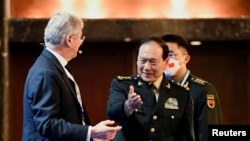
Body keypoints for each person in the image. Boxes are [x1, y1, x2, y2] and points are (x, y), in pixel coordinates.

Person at [22, 12, 121, 141]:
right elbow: (47, 125)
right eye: (81, 37)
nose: (81, 42)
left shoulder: (57, 65)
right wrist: (91, 132)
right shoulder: (46, 73)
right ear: (69, 40)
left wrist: (91, 136)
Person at [106, 36, 195, 141]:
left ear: (165, 63)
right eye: (143, 61)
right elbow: (112, 113)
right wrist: (127, 106)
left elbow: (186, 135)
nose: (146, 67)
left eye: (153, 62)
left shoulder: (181, 93)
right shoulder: (123, 84)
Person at [162, 34, 223, 141]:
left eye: (171, 55)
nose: (167, 60)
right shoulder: (157, 87)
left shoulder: (202, 90)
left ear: (185, 59)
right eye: (163, 55)